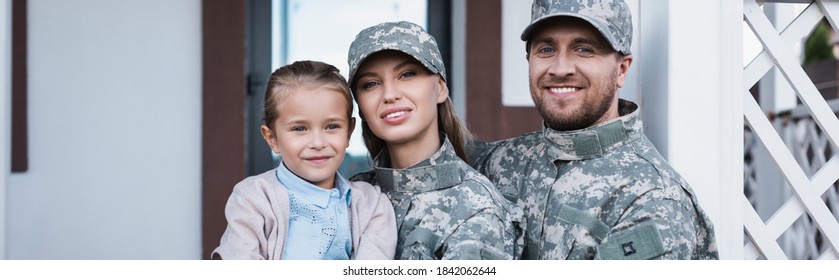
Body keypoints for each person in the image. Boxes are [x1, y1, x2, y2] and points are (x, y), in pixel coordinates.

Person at [469, 0, 718, 260]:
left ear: (621, 69)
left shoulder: (651, 198)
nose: (560, 68)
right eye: (546, 49)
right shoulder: (497, 163)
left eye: (584, 49)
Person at [347, 21, 522, 260]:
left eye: (407, 74)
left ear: (440, 88)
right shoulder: (352, 194)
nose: (389, 95)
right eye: (371, 84)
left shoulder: (473, 207)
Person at [212, 60, 396, 260]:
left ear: (349, 132)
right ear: (272, 138)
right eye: (299, 129)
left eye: (332, 126)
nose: (318, 143)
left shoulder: (372, 204)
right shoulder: (253, 197)